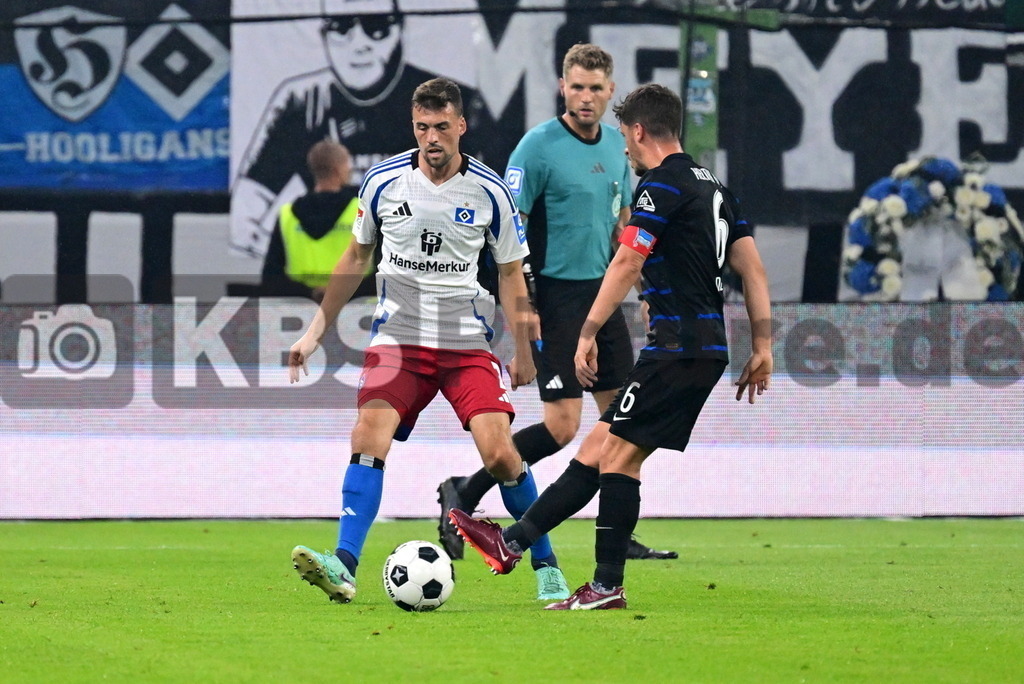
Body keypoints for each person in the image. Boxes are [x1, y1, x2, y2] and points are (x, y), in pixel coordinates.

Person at [450, 83, 774, 610]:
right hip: (704, 347)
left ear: (640, 130)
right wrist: (762, 344)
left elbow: (627, 261)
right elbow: (753, 269)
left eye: (625, 134)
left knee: (618, 459)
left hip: (675, 348)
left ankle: (605, 585)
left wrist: (587, 330)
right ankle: (510, 543)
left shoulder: (660, 186)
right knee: (598, 450)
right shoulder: (717, 188)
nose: (623, 146)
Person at [287, 77, 570, 604]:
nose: (432, 137)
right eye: (423, 127)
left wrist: (523, 350)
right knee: (368, 436)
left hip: (465, 346)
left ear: (460, 126)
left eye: (442, 126)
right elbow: (355, 258)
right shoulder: (382, 181)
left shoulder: (491, 191)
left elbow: (511, 274)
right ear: (413, 127)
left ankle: (547, 565)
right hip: (398, 341)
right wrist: (315, 330)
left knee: (502, 455)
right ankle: (343, 565)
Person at [436, 43, 677, 562]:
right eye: (576, 86)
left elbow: (624, 228)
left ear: (611, 92)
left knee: (624, 425)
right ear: (562, 87)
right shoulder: (536, 148)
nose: (585, 97)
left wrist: (645, 290)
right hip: (555, 297)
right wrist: (526, 314)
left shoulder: (618, 147)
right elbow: (506, 235)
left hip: (603, 298)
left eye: (595, 88)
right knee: (564, 426)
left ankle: (616, 531)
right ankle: (466, 489)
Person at [231, 0, 503, 257]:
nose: (359, 45)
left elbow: (500, 200)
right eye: (341, 28)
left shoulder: (448, 100)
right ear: (324, 34)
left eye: (377, 27)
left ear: (400, 31)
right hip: (342, 272)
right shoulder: (301, 101)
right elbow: (247, 214)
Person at [259, 140, 371, 302]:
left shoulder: (287, 215)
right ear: (338, 170)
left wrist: (311, 292)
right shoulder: (365, 212)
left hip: (301, 314)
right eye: (347, 165)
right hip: (357, 312)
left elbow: (271, 278)